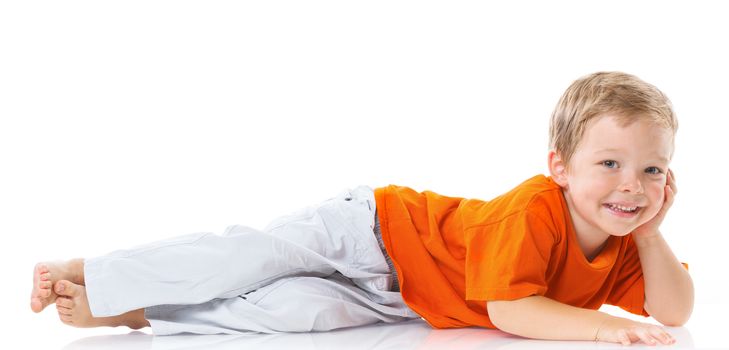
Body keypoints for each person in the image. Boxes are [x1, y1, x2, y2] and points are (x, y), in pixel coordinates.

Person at [30, 71, 693, 346]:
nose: (629, 186)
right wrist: (603, 330)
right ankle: (94, 269)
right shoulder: (532, 210)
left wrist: (653, 234)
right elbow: (508, 310)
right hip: (374, 232)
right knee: (247, 254)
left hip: (405, 298)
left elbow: (672, 312)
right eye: (608, 164)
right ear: (559, 166)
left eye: (650, 170)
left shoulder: (624, 239)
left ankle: (137, 310)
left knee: (291, 314)